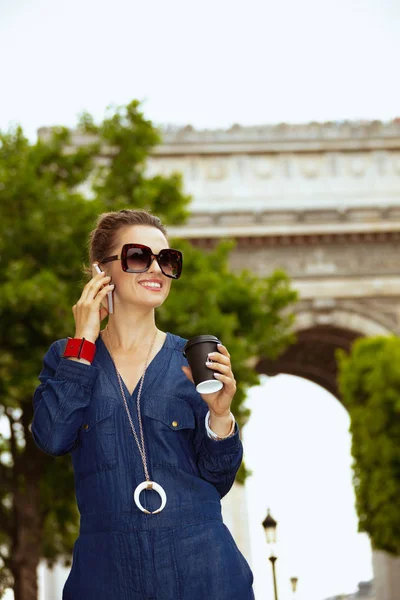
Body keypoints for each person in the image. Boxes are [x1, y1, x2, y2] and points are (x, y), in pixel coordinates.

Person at [32, 208, 255, 600]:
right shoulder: (67, 357)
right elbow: (52, 437)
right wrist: (83, 341)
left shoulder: (195, 359)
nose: (156, 269)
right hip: (106, 578)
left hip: (204, 575)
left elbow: (218, 480)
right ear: (102, 271)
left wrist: (220, 416)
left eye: (167, 260)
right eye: (138, 256)